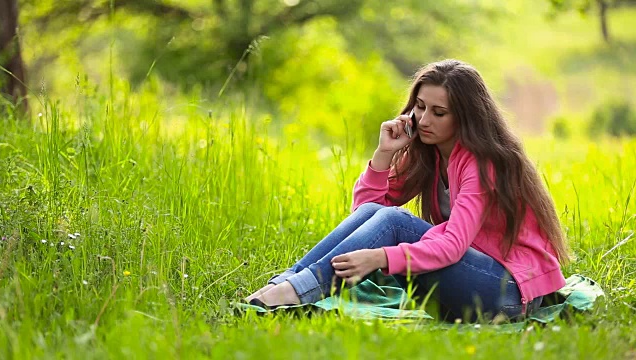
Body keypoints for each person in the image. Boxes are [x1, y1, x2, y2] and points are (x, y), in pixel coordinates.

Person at [244, 59, 569, 322]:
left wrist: (382, 257)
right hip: (473, 283)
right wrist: (385, 154)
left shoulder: (482, 164)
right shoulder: (428, 154)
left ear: (466, 117)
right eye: (420, 107)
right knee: (382, 215)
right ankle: (284, 287)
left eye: (439, 113)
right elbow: (366, 214)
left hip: (509, 292)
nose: (424, 120)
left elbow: (453, 246)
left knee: (396, 222)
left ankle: (291, 293)